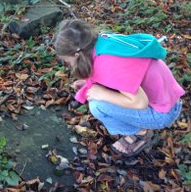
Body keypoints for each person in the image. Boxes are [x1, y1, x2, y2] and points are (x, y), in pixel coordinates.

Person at [54, 19, 185, 157]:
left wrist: (102, 93)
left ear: (76, 55)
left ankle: (142, 133)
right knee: (98, 95)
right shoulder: (102, 42)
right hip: (168, 95)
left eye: (67, 61)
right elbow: (121, 74)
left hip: (163, 112)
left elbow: (140, 102)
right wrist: (89, 82)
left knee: (97, 105)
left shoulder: (108, 65)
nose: (67, 64)